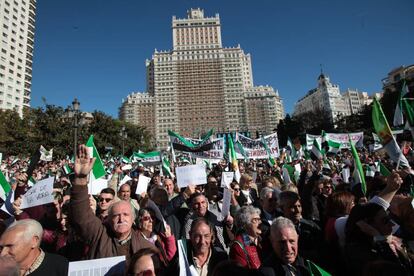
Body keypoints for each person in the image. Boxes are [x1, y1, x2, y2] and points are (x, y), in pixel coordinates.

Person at [70, 144, 156, 260]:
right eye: (116, 215)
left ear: (133, 219)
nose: (121, 219)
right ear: (109, 219)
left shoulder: (146, 249)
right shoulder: (100, 234)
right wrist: (80, 179)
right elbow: (82, 217)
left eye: (125, 215)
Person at [0, 219, 68, 276]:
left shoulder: (61, 266)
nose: (2, 253)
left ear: (34, 241)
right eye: (1, 248)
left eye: (10, 246)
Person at [278, 191, 322, 262]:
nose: (297, 210)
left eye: (299, 206)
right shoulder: (277, 230)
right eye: (292, 207)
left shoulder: (312, 226)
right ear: (282, 208)